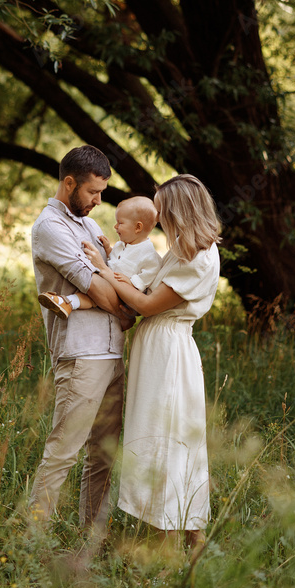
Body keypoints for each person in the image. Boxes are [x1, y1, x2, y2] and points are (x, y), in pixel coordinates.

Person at [82, 174, 220, 553]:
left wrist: (105, 271)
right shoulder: (181, 251)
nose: (158, 217)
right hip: (156, 349)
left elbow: (145, 305)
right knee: (165, 435)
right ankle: (191, 534)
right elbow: (141, 285)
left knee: (167, 438)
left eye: (163, 209)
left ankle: (169, 537)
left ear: (179, 211)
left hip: (169, 352)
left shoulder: (197, 258)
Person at [29, 144, 133, 532]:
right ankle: (33, 545)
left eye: (102, 193)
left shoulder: (89, 227)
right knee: (62, 453)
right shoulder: (50, 227)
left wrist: (120, 293)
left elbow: (120, 276)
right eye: (92, 192)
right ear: (69, 183)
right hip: (81, 355)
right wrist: (123, 311)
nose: (98, 201)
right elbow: (104, 289)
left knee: (103, 456)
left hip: (112, 356)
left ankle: (91, 540)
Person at [37, 195, 161, 319]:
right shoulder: (121, 245)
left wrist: (133, 283)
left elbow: (150, 274)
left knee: (93, 297)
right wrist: (108, 249)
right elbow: (116, 259)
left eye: (120, 223)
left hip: (126, 294)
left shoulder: (149, 254)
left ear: (138, 227)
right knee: (93, 298)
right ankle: (66, 304)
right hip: (109, 285)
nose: (115, 226)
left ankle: (66, 302)